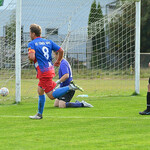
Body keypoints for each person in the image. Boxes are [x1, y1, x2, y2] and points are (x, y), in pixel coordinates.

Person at [28, 24, 83, 119]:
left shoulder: (32, 44)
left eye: (30, 33)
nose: (29, 35)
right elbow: (61, 50)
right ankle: (39, 114)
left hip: (43, 71)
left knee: (52, 95)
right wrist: (58, 61)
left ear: (33, 34)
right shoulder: (48, 42)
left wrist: (30, 58)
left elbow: (32, 57)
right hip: (49, 69)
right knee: (40, 90)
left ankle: (70, 87)